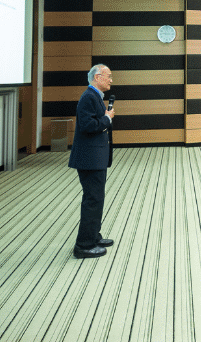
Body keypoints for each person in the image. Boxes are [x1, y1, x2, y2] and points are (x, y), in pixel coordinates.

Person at [70, 64, 116, 259]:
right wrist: (107, 119)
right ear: (97, 77)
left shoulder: (95, 96)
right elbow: (88, 126)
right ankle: (84, 245)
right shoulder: (88, 97)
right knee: (92, 200)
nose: (111, 80)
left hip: (95, 158)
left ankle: (93, 236)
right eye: (108, 76)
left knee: (97, 199)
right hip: (89, 159)